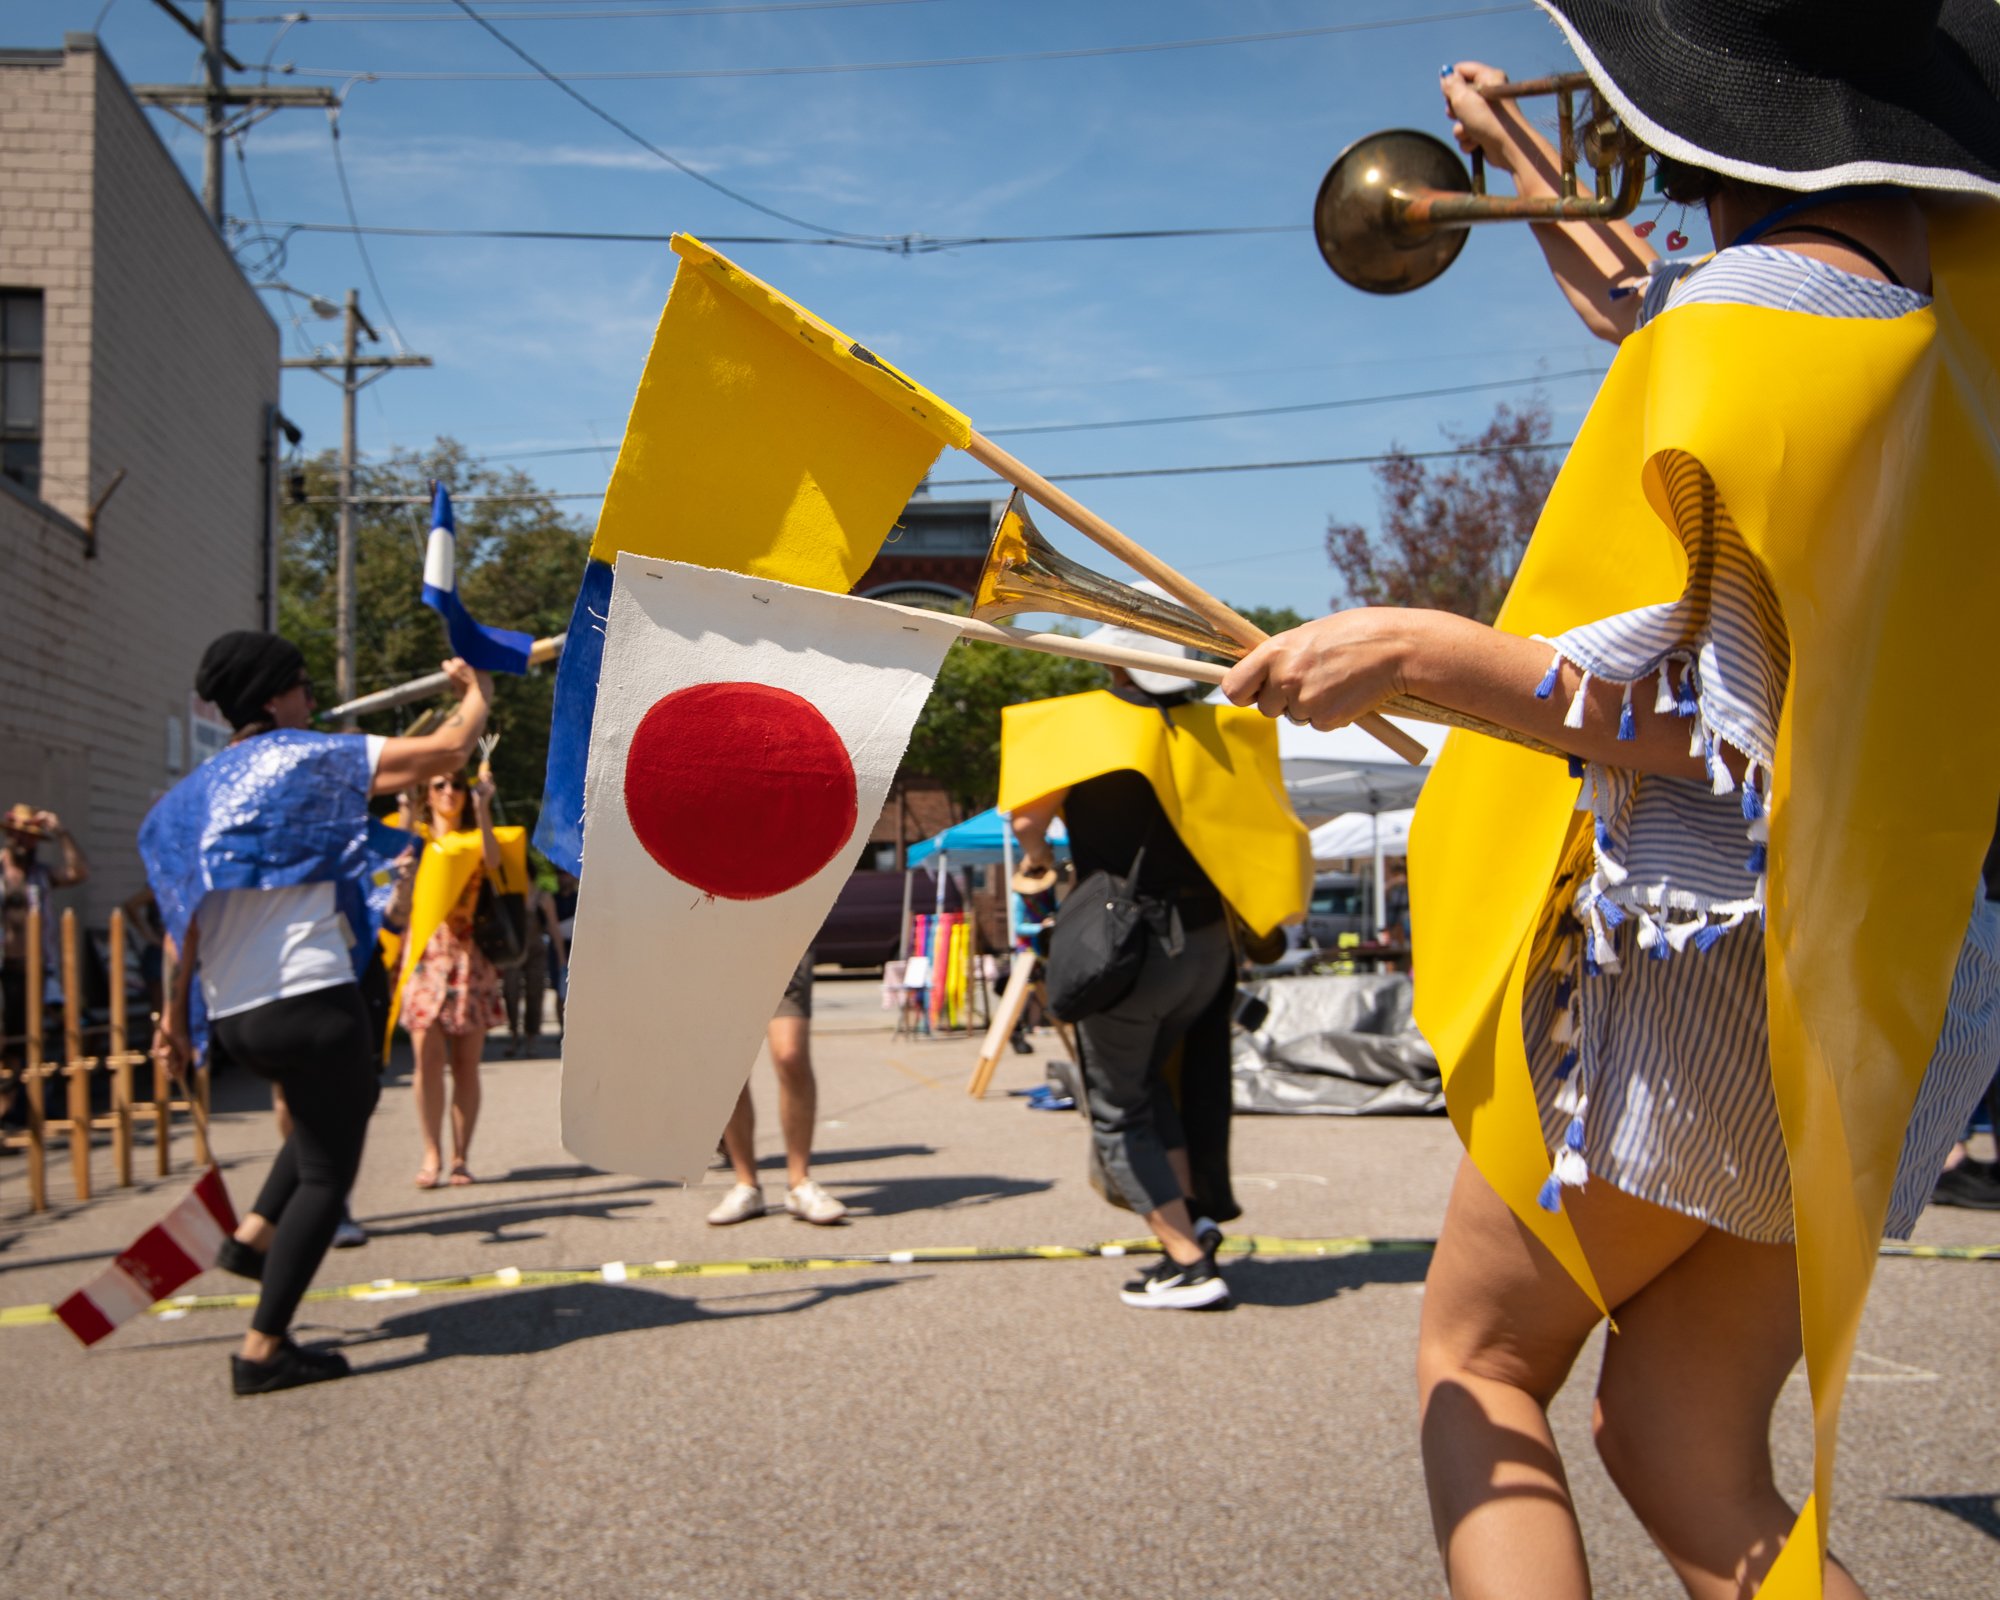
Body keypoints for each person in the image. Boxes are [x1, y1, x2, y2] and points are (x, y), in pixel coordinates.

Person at [1224, 6, 2000, 1592]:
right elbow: (1652, 311)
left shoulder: (1744, 331)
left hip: (1710, 972)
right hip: (1908, 968)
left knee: (1478, 1368)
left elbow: (1703, 727)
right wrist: (1516, 156)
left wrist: (1421, 651)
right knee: (1681, 1444)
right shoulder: (1948, 333)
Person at [147, 632, 491, 1393]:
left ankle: (250, 1239)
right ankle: (263, 1350)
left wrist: (173, 1019)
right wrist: (476, 691)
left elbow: (185, 919)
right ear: (272, 699)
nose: (311, 698)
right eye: (300, 685)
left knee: (329, 1114)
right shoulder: (306, 757)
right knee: (328, 1171)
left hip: (236, 1013)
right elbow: (447, 753)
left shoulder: (198, 793)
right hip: (309, 996)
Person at [1005, 618, 1310, 1311]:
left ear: (1112, 665)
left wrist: (1041, 862)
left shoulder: (1080, 727)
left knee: (1115, 1106)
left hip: (1129, 948)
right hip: (1209, 947)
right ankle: (1192, 1216)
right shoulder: (1225, 731)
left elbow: (1027, 823)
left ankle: (1188, 1261)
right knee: (1157, 1087)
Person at [402, 769, 505, 1188]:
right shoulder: (418, 837)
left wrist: (482, 809)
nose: (449, 791)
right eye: (439, 784)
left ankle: (461, 1156)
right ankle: (432, 1153)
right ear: (427, 793)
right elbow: (392, 877)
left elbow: (496, 862)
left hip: (467, 957)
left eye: (457, 785)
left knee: (466, 1064)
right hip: (425, 956)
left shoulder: (473, 837)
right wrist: (407, 817)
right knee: (425, 1059)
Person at [705, 952, 848, 1226]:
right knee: (730, 1065)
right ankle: (746, 1184)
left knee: (790, 1055)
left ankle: (799, 1183)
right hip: (715, 942)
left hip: (782, 934)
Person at [3, 804, 89, 1094]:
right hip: (5, 969)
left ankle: (24, 1103)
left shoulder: (40, 875)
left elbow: (78, 871)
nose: (25, 843)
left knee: (33, 1037)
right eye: (20, 836)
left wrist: (62, 832)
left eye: (31, 838)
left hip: (36, 970)